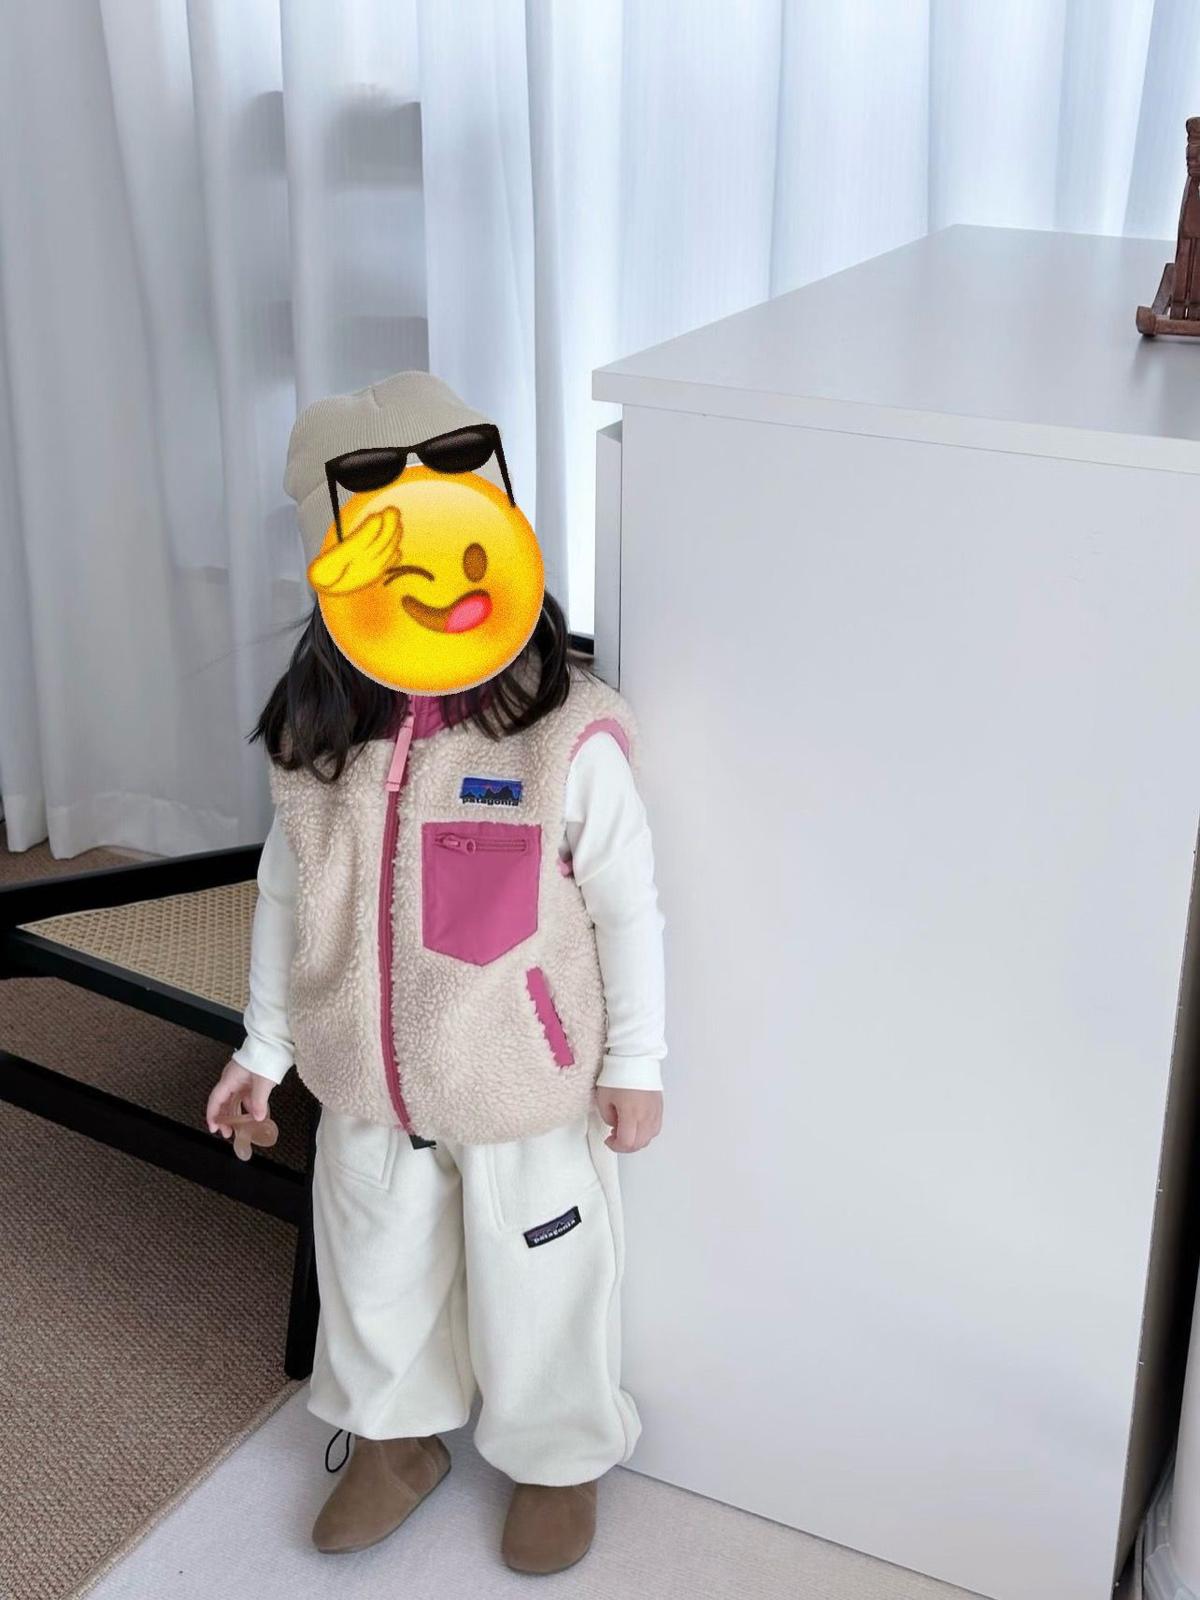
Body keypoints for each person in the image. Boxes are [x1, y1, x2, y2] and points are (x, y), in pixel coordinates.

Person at [204, 371, 667, 1575]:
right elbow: (287, 898)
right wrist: (262, 1048)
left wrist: (635, 1061)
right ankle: (394, 1440)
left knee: (543, 1275)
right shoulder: (316, 746)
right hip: (364, 1080)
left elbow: (626, 907)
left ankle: (557, 1456)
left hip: (519, 1083)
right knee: (372, 1268)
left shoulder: (565, 736)